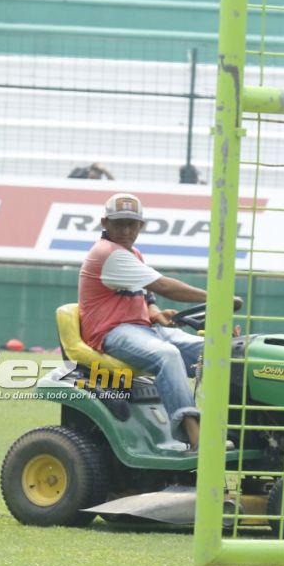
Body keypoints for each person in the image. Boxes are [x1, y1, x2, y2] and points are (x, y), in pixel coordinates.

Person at [78, 192, 210, 452]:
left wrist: (156, 312)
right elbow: (163, 286)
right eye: (119, 224)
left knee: (215, 352)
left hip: (145, 329)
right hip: (112, 333)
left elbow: (147, 294)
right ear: (104, 223)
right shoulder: (107, 253)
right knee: (167, 355)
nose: (125, 230)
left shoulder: (132, 253)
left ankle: (234, 425)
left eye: (131, 224)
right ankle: (195, 438)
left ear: (141, 226)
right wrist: (217, 297)